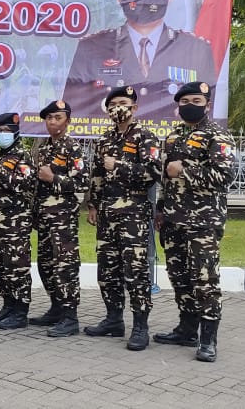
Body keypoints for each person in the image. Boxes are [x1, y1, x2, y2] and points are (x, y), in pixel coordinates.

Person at [63, 0, 214, 123]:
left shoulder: (196, 50)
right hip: (113, 144)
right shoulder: (91, 48)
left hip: (174, 146)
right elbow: (73, 115)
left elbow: (208, 114)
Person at [157, 81, 235, 363]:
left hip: (203, 222)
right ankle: (187, 328)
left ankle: (208, 339)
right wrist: (160, 209)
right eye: (185, 100)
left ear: (207, 104)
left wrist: (185, 169)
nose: (190, 105)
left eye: (196, 100)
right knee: (179, 276)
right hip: (173, 220)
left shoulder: (218, 136)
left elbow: (223, 177)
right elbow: (167, 179)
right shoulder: (174, 136)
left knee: (204, 279)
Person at [83, 86, 163, 351]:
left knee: (136, 272)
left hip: (134, 215)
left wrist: (117, 166)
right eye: (114, 103)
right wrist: (93, 205)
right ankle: (113, 319)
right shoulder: (104, 140)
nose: (119, 107)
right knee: (107, 271)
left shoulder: (145, 137)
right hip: (107, 215)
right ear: (108, 110)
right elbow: (96, 175)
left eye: (124, 103)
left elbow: (152, 173)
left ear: (134, 108)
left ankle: (140, 326)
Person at [29, 101, 89, 337]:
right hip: (44, 216)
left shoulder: (73, 148)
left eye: (58, 117)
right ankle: (55, 308)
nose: (53, 122)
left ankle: (69, 316)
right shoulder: (43, 148)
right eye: (49, 118)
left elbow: (82, 184)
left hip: (63, 217)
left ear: (67, 120)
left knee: (65, 265)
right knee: (45, 264)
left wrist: (53, 178)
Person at [0, 112, 38, 330]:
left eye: (5, 131)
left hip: (14, 223)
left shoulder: (24, 157)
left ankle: (20, 312)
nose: (1, 135)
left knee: (16, 266)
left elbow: (24, 184)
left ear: (15, 133)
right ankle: (8, 305)